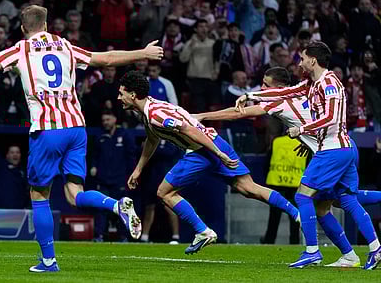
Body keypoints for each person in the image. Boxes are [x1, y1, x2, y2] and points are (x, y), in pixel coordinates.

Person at [0, 5, 164, 273]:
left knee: (39, 194)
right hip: (77, 128)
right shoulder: (66, 46)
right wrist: (142, 53)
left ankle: (49, 261)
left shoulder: (21, 49)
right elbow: (107, 59)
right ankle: (116, 204)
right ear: (47, 25)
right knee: (75, 194)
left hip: (47, 129)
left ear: (22, 28)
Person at [196, 66, 381, 267]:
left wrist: (203, 116)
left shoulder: (280, 102)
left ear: (280, 87)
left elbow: (238, 113)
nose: (262, 88)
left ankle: (313, 251)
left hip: (332, 150)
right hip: (342, 145)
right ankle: (349, 256)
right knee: (328, 204)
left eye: (266, 84)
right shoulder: (301, 96)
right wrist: (307, 142)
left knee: (308, 197)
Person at [118, 70, 299, 255]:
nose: (119, 98)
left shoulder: (156, 115)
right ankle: (296, 214)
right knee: (248, 188)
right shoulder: (150, 110)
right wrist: (138, 169)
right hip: (214, 142)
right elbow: (152, 139)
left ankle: (203, 231)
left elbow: (189, 130)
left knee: (164, 192)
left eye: (121, 93)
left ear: (132, 95)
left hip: (202, 150)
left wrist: (218, 153)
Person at [89, 110, 136, 242]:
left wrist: (131, 176)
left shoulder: (125, 135)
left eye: (108, 119)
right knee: (100, 208)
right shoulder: (100, 136)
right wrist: (93, 166)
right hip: (103, 179)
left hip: (120, 179)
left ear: (115, 119)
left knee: (123, 208)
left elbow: (131, 157)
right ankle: (99, 236)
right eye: (104, 120)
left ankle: (124, 236)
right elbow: (95, 155)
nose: (105, 123)